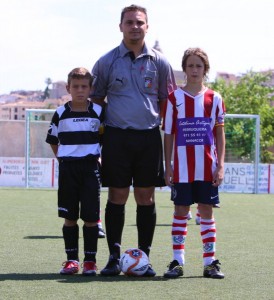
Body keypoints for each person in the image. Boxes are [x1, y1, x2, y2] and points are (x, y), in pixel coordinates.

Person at [91, 4, 175, 277]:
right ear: (121, 26)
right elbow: (96, 99)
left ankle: (144, 257)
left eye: (140, 22)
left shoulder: (160, 62)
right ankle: (114, 257)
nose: (135, 26)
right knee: (117, 195)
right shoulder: (106, 61)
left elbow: (166, 101)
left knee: (145, 197)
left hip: (149, 137)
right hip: (116, 137)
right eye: (129, 22)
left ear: (147, 26)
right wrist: (100, 139)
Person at [162, 48, 226, 279]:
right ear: (185, 69)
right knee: (180, 211)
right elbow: (168, 133)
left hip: (207, 167)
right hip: (181, 168)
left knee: (206, 211)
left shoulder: (215, 98)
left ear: (205, 69)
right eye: (190, 65)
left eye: (199, 65)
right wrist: (167, 165)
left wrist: (220, 165)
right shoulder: (174, 98)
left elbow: (219, 134)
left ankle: (210, 262)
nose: (195, 69)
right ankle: (177, 262)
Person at [46, 67, 104, 276]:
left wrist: (98, 160)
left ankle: (90, 262)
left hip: (90, 169)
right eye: (76, 86)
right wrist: (62, 159)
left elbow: (105, 139)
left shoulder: (98, 112)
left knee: (90, 217)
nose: (80, 90)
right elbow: (53, 140)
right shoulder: (61, 113)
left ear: (90, 88)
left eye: (84, 86)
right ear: (68, 88)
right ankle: (72, 260)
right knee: (70, 217)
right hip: (68, 169)